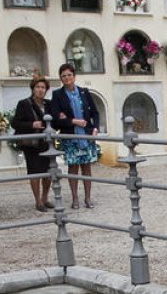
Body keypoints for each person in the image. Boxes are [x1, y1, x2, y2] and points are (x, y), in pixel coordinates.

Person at [48, 63, 100, 210]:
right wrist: (72, 120)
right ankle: (75, 199)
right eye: (63, 76)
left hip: (86, 136)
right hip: (70, 136)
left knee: (87, 167)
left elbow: (95, 113)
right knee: (73, 167)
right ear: (60, 78)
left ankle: (88, 198)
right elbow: (56, 118)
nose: (67, 78)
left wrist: (95, 127)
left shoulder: (84, 92)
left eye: (69, 75)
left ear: (74, 76)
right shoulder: (57, 95)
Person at [11, 75, 54, 212]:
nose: (40, 90)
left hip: (46, 142)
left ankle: (45, 198)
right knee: (35, 172)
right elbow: (15, 123)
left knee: (48, 172)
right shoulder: (24, 103)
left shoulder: (49, 104)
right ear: (33, 89)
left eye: (43, 87)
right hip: (32, 144)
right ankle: (38, 201)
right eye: (38, 87)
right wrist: (31, 124)